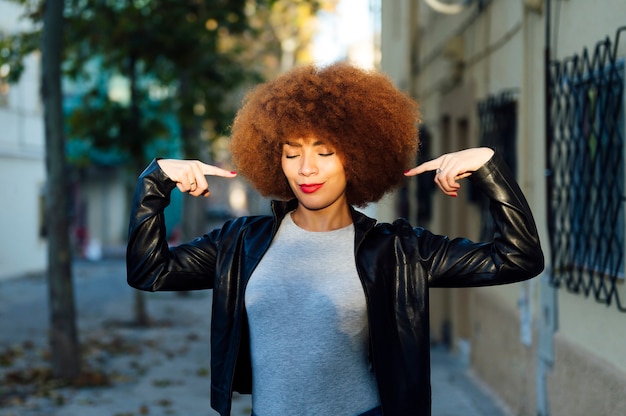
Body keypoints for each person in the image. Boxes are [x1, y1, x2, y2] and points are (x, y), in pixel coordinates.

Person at [126, 62, 544, 416]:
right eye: (292, 153)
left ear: (357, 156)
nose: (307, 168)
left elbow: (517, 258)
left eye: (324, 152)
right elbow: (151, 271)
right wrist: (155, 182)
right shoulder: (240, 242)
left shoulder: (396, 251)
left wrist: (490, 168)